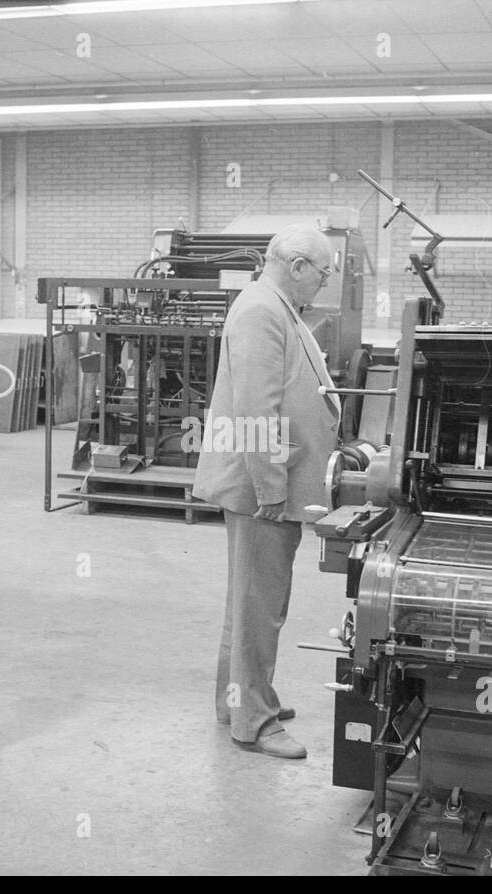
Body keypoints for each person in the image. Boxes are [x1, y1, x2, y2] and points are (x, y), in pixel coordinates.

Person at [193, 225, 340, 759]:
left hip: (264, 486)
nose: (324, 283)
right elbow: (258, 409)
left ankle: (236, 701)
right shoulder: (262, 310)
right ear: (297, 265)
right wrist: (272, 487)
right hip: (261, 490)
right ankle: (254, 721)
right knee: (261, 607)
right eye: (323, 273)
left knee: (248, 602)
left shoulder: (275, 305)